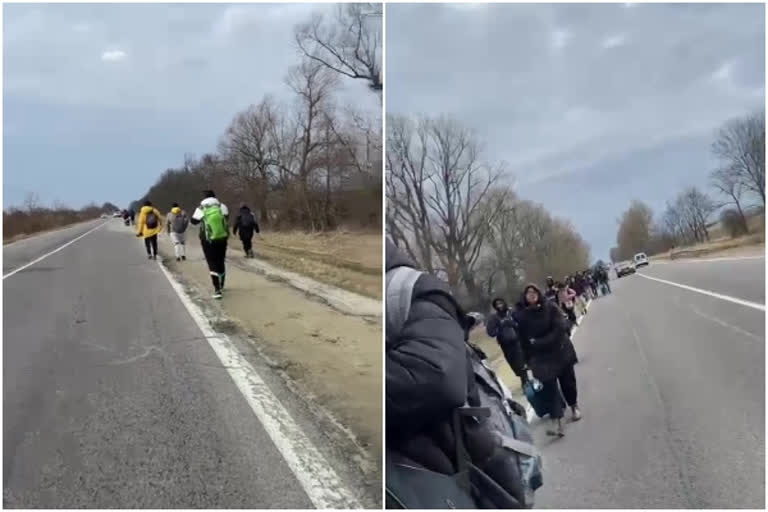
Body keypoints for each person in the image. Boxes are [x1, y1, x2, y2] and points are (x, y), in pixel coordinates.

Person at [386, 240, 538, 509]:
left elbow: (440, 378)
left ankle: (552, 398)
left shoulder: (407, 292)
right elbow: (490, 332)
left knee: (534, 372)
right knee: (520, 369)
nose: (504, 304)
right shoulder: (509, 313)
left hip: (451, 471)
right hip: (509, 347)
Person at [514, 284, 581, 437]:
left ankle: (574, 406)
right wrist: (526, 360)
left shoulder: (551, 308)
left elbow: (559, 329)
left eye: (534, 292)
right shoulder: (523, 316)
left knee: (568, 382)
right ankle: (556, 421)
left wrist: (538, 342)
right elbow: (523, 340)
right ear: (524, 297)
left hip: (560, 350)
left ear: (539, 293)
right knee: (549, 388)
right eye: (528, 293)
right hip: (540, 358)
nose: (531, 295)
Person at [190, 190, 229, 299]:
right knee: (221, 260)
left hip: (207, 239)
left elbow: (193, 221)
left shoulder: (201, 208)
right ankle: (222, 284)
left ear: (204, 198)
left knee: (212, 262)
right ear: (214, 196)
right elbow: (226, 218)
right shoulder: (222, 206)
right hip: (222, 238)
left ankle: (217, 289)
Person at [486, 297, 526, 387]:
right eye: (497, 304)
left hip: (517, 341)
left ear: (504, 303)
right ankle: (521, 375)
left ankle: (525, 381)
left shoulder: (511, 312)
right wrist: (500, 327)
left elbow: (522, 323)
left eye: (501, 303)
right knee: (514, 365)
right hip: (505, 345)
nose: (500, 306)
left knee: (520, 362)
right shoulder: (494, 318)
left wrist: (513, 324)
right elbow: (490, 332)